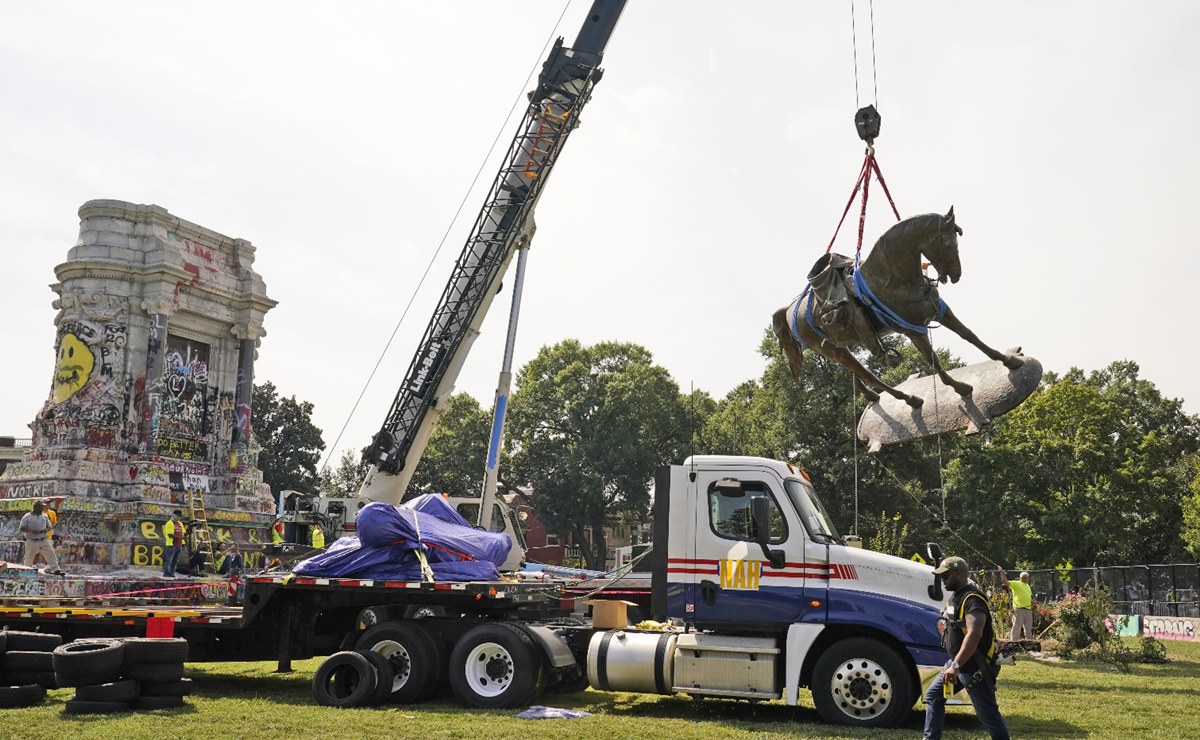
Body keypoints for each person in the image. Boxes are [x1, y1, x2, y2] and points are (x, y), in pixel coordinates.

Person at [924, 556, 1009, 740]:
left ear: (959, 574)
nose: (943, 581)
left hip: (974, 668)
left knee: (988, 716)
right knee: (933, 696)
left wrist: (955, 666)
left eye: (946, 576)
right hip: (957, 663)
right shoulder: (956, 597)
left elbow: (974, 634)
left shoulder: (973, 600)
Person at [19, 499, 62, 573]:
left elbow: (50, 526)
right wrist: (31, 531)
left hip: (44, 539)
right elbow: (21, 528)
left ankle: (56, 570)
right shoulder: (27, 517)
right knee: (29, 557)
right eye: (41, 507)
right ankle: (26, 570)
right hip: (31, 540)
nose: (43, 508)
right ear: (36, 507)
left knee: (51, 554)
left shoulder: (44, 516)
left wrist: (45, 530)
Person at [997, 567, 1034, 640]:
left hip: (1028, 609)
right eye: (1027, 578)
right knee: (1017, 626)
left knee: (1028, 627)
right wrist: (1002, 572)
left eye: (1028, 578)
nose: (1028, 579)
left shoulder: (1028, 586)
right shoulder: (1016, 584)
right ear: (1022, 578)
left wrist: (1032, 603)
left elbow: (1030, 596)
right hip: (1019, 609)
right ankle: (1013, 642)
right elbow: (1005, 582)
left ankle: (1029, 643)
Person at [162, 510, 186, 578]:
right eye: (178, 516)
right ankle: (166, 573)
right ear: (174, 515)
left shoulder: (180, 524)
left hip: (179, 545)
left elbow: (183, 533)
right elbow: (170, 534)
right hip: (171, 545)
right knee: (169, 560)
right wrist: (180, 537)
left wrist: (183, 541)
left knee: (175, 561)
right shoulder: (169, 523)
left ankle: (172, 573)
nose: (179, 517)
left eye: (180, 516)